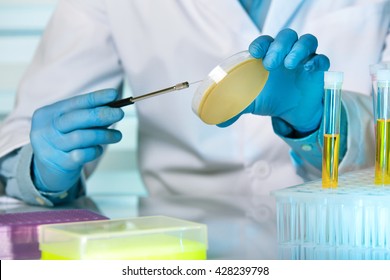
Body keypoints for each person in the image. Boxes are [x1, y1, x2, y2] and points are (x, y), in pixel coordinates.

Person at [0, 0, 387, 207]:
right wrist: (41, 168)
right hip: (179, 251)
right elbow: (23, 134)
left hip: (340, 238)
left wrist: (319, 118)